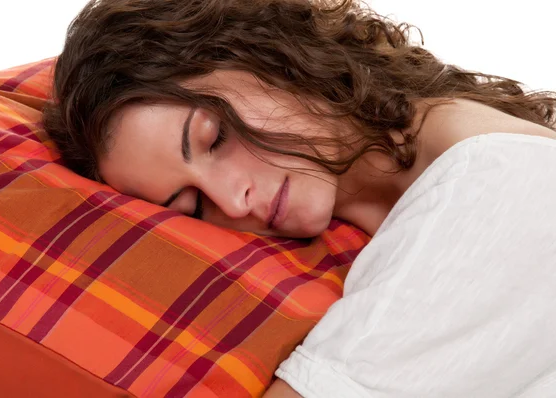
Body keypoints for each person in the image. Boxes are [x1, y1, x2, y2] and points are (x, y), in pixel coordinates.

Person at [43, 0, 556, 396]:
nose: (233, 201)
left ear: (271, 55)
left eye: (216, 136)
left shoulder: (492, 182)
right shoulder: (404, 208)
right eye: (192, 207)